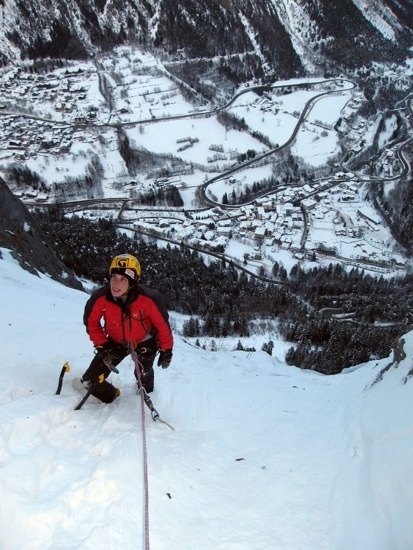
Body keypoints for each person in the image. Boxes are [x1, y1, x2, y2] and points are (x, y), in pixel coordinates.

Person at [80, 253, 173, 403]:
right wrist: (103, 346)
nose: (116, 284)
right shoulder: (101, 298)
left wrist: (166, 349)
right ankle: (111, 395)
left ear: (132, 282)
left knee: (144, 374)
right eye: (114, 277)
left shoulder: (149, 299)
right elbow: (91, 323)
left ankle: (147, 391)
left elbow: (162, 326)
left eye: (123, 279)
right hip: (115, 342)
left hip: (144, 342)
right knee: (90, 381)